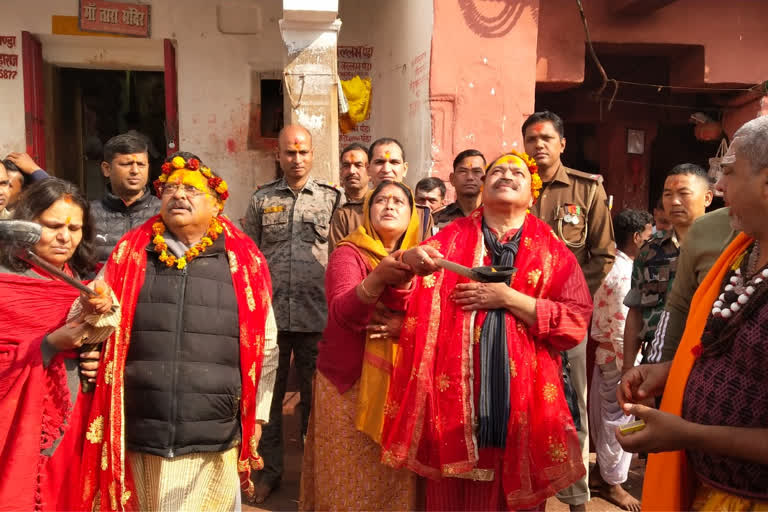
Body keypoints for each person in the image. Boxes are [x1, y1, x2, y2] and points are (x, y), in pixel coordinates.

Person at [382, 150, 592, 510]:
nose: (506, 175)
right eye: (497, 171)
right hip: (452, 400)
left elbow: (574, 322)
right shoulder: (447, 241)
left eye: (517, 173)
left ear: (533, 194)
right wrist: (406, 263)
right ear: (483, 185)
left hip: (524, 400)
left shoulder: (555, 253)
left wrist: (508, 298)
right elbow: (404, 297)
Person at [80, 152, 278, 510]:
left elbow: (266, 343)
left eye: (191, 188)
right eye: (170, 188)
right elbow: (95, 321)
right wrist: (93, 313)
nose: (178, 195)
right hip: (142, 428)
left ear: (217, 204)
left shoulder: (245, 262)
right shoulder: (129, 255)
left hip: (213, 432)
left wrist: (259, 413)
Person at [617, 116, 768, 510]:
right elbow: (693, 319)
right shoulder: (742, 252)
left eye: (730, 173)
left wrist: (687, 434)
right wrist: (668, 370)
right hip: (710, 490)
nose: (719, 187)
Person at [301, 180, 422, 510]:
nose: (389, 204)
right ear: (367, 212)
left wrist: (404, 328)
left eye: (399, 200)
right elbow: (343, 313)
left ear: (412, 215)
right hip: (347, 384)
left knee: (393, 479)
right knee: (345, 476)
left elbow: (434, 318)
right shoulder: (347, 253)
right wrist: (378, 277)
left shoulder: (425, 259)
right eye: (380, 199)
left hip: (400, 383)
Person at [0, 178, 117, 511]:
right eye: (52, 226)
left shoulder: (84, 286)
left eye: (75, 227)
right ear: (26, 225)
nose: (65, 237)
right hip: (18, 432)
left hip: (75, 424)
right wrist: (48, 345)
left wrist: (96, 358)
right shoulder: (6, 285)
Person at [243, 124, 342, 503]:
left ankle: (313, 477)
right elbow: (248, 255)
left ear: (312, 154)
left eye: (302, 152)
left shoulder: (330, 200)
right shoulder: (261, 200)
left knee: (317, 402)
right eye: (289, 152)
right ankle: (269, 473)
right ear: (278, 156)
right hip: (269, 321)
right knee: (267, 399)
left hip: (317, 318)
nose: (296, 159)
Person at [524, 110, 615, 510]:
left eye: (546, 138)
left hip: (567, 320)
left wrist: (572, 303)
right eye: (531, 139)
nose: (538, 145)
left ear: (562, 143)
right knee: (520, 403)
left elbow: (603, 255)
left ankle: (577, 499)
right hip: (517, 317)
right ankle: (526, 490)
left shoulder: (586, 191)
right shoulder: (514, 183)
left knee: (570, 405)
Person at [588, 209, 652, 511]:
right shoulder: (624, 273)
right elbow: (622, 325)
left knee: (608, 419)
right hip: (617, 358)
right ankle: (613, 483)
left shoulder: (610, 264)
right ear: (637, 237)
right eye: (650, 237)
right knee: (620, 420)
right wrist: (631, 366)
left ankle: (604, 476)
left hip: (607, 355)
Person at [622, 164, 713, 369]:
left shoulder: (721, 246)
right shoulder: (649, 250)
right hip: (655, 358)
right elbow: (635, 311)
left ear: (707, 198)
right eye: (668, 194)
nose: (674, 202)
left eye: (683, 193)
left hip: (702, 361)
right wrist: (628, 367)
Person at [656, 207, 736, 362]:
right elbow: (678, 306)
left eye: (684, 193)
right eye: (668, 193)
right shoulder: (706, 228)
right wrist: (663, 367)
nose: (721, 186)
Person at [328, 137, 433, 249]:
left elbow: (428, 262)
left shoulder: (422, 216)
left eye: (394, 162)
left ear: (405, 169)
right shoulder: (346, 216)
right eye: (379, 162)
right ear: (368, 169)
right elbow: (338, 263)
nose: (386, 169)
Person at [90, 132, 161, 263]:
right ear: (106, 169)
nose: (135, 171)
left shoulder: (164, 213)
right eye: (126, 164)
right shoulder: (88, 214)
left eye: (141, 164)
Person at [434, 149, 486, 229]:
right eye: (463, 171)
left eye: (476, 171)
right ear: (452, 179)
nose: (470, 177)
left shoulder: (494, 217)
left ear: (486, 179)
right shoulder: (435, 219)